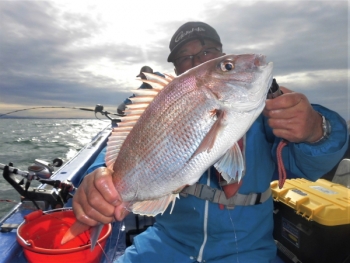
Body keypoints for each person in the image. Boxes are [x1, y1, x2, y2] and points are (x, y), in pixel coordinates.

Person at [72, 22, 348, 262]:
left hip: (246, 251)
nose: (195, 61)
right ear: (176, 68)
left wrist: (317, 128)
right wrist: (97, 178)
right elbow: (123, 144)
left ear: (221, 53)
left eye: (207, 53)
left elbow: (310, 164)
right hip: (166, 242)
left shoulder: (266, 117)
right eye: (185, 57)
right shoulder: (160, 106)